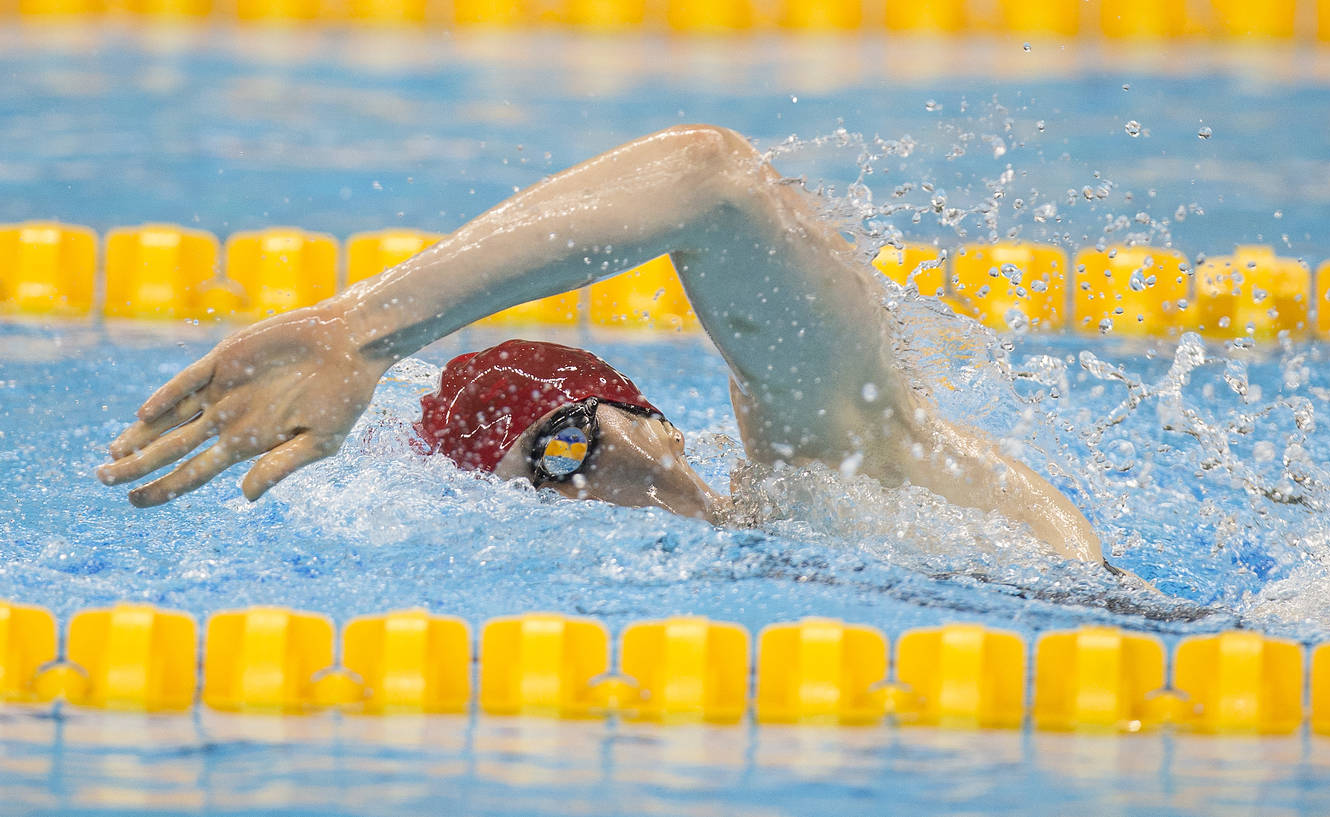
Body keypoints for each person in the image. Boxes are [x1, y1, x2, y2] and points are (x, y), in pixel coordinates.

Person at [96, 124, 1106, 565]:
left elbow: (710, 178)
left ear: (648, 414)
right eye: (553, 463)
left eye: (588, 428)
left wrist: (361, 332)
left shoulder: (824, 462)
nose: (601, 465)